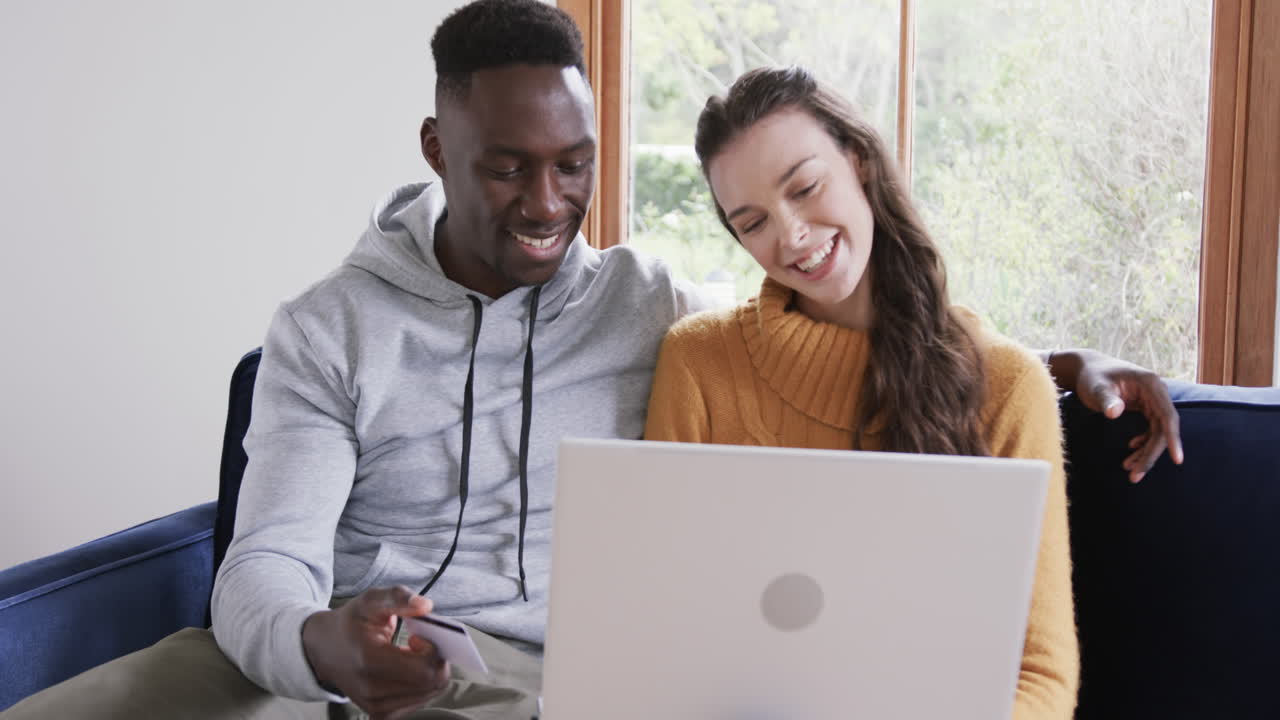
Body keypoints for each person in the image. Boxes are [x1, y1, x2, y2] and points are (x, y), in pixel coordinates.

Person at [3, 4, 1181, 719]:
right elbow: (263, 563)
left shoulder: (645, 305)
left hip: (518, 682)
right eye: (507, 165)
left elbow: (836, 311)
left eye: (572, 164)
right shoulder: (327, 329)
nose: (547, 201)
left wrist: (1042, 360)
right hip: (314, 663)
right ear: (437, 147)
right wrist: (321, 644)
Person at [642, 65, 1089, 718]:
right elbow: (660, 625)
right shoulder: (697, 364)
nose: (791, 235)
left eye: (805, 188)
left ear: (860, 162)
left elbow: (1041, 677)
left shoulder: (1007, 387)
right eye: (753, 222)